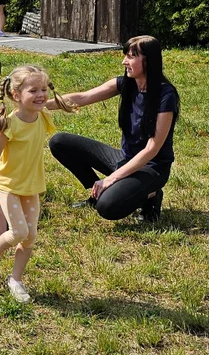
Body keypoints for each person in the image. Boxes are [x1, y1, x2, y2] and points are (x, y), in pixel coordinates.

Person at [47, 35, 179, 223]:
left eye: (131, 56)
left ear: (148, 60)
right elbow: (82, 98)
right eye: (125, 55)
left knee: (107, 207)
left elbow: (153, 148)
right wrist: (40, 105)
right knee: (59, 142)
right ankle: (96, 190)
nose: (124, 61)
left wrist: (111, 179)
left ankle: (151, 195)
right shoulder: (126, 84)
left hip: (152, 168)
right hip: (124, 159)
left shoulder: (166, 95)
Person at [0, 65, 75, 303]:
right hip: (8, 185)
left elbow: (63, 101)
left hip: (31, 186)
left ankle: (16, 279)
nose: (41, 95)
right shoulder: (9, 125)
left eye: (43, 89)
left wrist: (70, 103)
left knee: (30, 236)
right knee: (19, 231)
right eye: (33, 90)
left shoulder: (42, 116)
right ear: (16, 95)